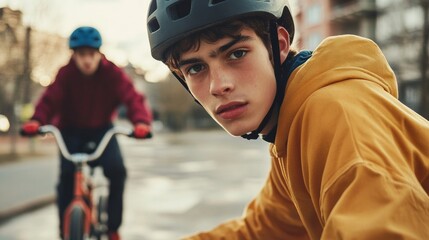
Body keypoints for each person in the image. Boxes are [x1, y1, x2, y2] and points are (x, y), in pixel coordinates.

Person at [146, 0, 429, 239]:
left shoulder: (337, 112)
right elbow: (263, 231)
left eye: (237, 53)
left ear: (279, 45)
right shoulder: (289, 131)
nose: (218, 86)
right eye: (196, 68)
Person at [21, 26, 153, 240]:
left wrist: (141, 122)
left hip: (102, 129)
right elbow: (50, 99)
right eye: (81, 55)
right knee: (66, 179)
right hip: (70, 130)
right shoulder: (66, 74)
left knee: (117, 171)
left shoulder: (112, 73)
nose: (87, 61)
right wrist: (37, 120)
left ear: (99, 53)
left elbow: (131, 97)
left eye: (91, 54)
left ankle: (112, 228)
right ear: (74, 55)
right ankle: (65, 232)